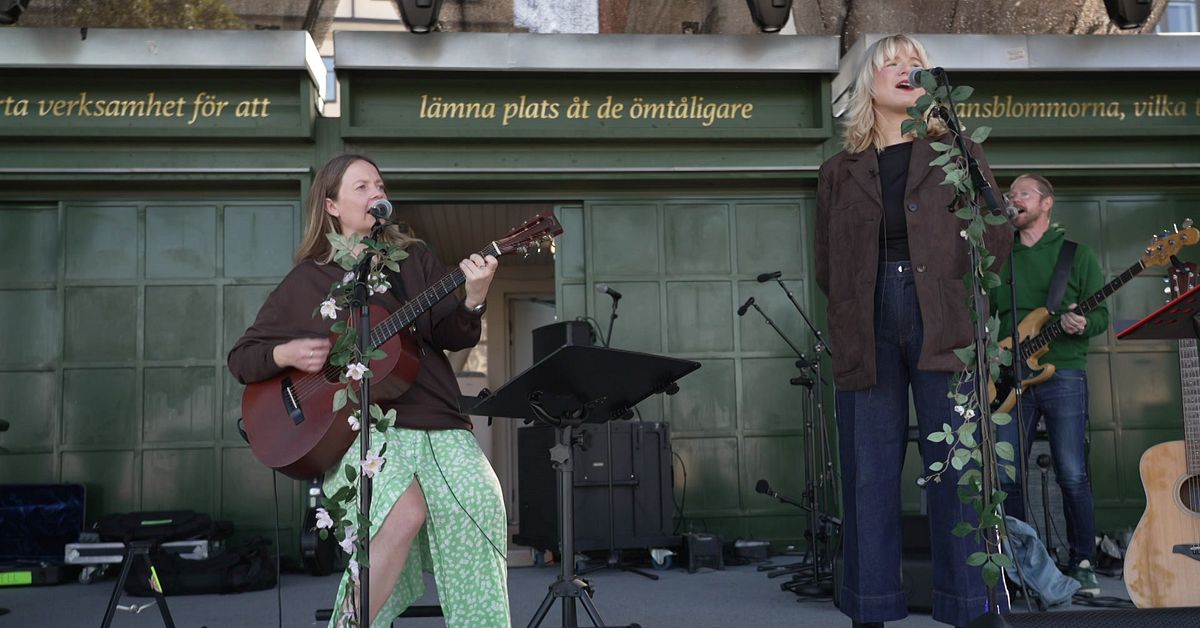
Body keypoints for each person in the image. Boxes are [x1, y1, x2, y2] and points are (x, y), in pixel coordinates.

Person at [227, 154, 509, 628]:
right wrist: (288, 354)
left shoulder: (413, 260)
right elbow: (243, 357)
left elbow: (454, 333)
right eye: (361, 187)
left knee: (481, 507)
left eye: (378, 184)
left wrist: (475, 298)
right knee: (402, 514)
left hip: (437, 417)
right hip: (363, 431)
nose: (375, 192)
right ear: (332, 205)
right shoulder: (308, 280)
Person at [814, 34, 1013, 627]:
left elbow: (996, 239)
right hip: (866, 320)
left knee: (957, 466)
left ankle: (972, 606)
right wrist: (863, 302)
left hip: (944, 317)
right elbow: (828, 265)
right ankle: (870, 608)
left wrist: (957, 291)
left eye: (916, 65)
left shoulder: (959, 154)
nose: (906, 71)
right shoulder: (838, 171)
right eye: (892, 63)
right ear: (867, 83)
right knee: (868, 468)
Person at [990, 173, 1106, 596]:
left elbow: (1102, 318)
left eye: (1022, 193)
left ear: (1046, 203)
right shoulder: (999, 256)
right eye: (1009, 195)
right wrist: (994, 356)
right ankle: (1021, 564)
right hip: (1006, 378)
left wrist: (1080, 323)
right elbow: (988, 317)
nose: (1012, 199)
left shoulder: (1076, 255)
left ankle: (1083, 561)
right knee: (1007, 476)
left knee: (1072, 473)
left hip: (1064, 374)